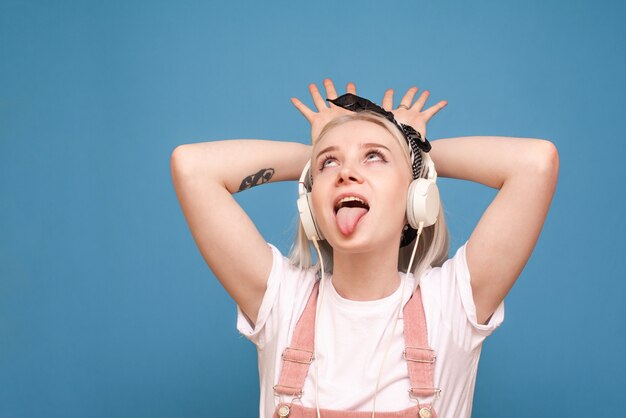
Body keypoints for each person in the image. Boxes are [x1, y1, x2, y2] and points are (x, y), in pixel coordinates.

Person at [170, 79, 559, 418]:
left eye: (374, 157)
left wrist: (413, 148)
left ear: (416, 198)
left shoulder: (453, 306)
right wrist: (320, 149)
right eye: (329, 164)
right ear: (310, 204)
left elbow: (535, 163)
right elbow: (192, 167)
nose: (346, 172)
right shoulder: (281, 302)